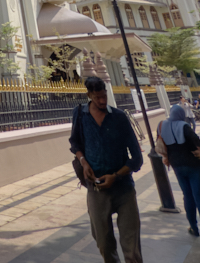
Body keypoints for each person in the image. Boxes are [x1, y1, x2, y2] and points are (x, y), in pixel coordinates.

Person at [70, 76, 144, 263]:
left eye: (104, 96)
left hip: (124, 189)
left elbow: (137, 158)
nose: (102, 101)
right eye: (97, 98)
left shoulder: (119, 117)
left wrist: (116, 176)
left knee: (132, 247)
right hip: (96, 190)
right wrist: (83, 162)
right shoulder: (80, 114)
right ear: (89, 95)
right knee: (103, 242)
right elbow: (75, 143)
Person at [156, 104, 200, 244]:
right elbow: (196, 140)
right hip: (195, 166)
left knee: (187, 196)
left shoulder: (161, 126)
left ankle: (193, 227)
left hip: (177, 166)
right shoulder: (184, 126)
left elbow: (160, 143)